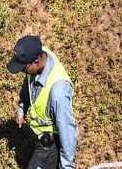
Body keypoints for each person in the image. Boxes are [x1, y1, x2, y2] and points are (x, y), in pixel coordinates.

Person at [8, 35, 78, 169]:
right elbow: (28, 84)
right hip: (41, 139)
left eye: (23, 68)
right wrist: (22, 107)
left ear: (36, 61)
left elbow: (67, 131)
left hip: (50, 145)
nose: (22, 72)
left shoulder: (58, 91)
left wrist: (66, 166)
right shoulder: (39, 55)